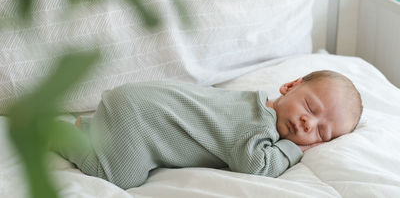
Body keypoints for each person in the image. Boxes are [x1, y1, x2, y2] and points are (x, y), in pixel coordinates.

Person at [54, 70, 363, 189]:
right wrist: (294, 149)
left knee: (126, 148)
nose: (309, 124)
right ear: (290, 85)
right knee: (121, 177)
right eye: (310, 108)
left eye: (322, 134)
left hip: (137, 106)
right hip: (137, 118)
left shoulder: (247, 102)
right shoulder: (259, 125)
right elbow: (255, 164)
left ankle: (93, 129)